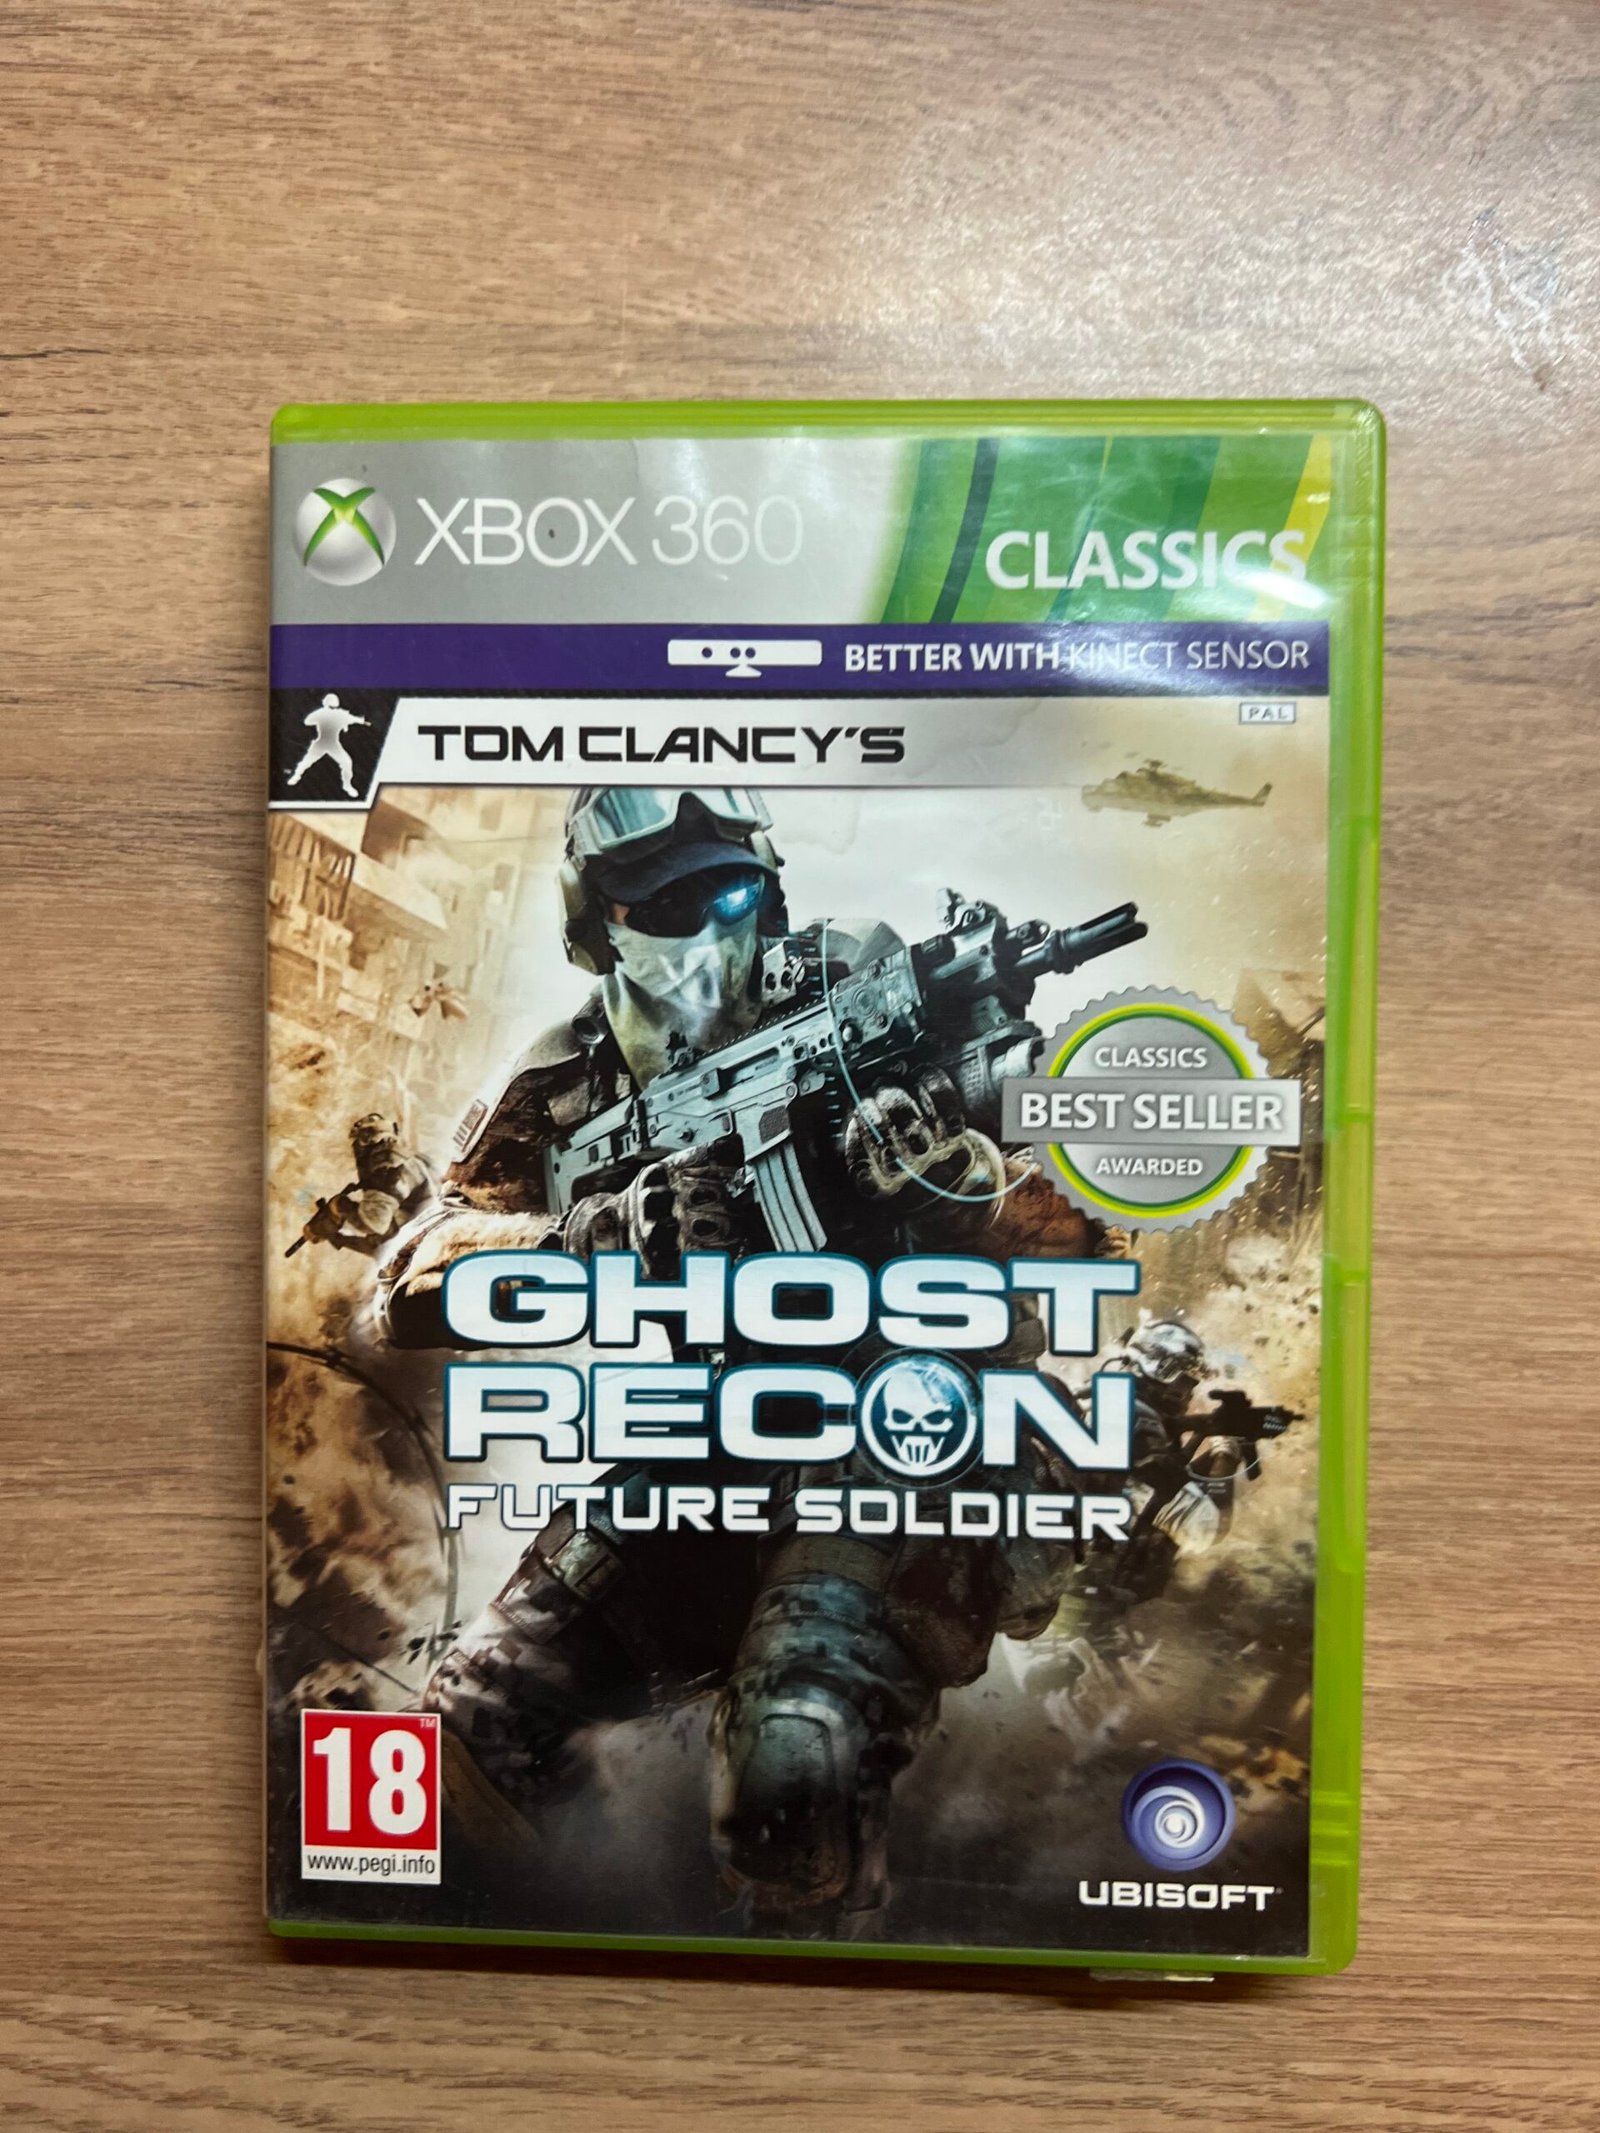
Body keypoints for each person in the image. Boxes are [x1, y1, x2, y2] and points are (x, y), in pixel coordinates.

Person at [379, 786, 1114, 1932]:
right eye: (662, 903)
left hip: (906, 1434)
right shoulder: (568, 1079)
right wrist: (589, 1238)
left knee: (791, 1755)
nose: (705, 924)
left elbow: (1078, 1243)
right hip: (712, 1437)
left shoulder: (863, 990)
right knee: (470, 1732)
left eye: (730, 892)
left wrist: (955, 1187)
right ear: (594, 923)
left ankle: (818, 1985)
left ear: (768, 894)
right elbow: (406, 1283)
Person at [286, 692, 367, 799]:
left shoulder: (339, 714)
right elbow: (307, 721)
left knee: (347, 763)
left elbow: (357, 720)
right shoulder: (326, 713)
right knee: (306, 762)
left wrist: (356, 720)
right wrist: (323, 713)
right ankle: (296, 776)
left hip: (333, 744)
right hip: (321, 743)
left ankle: (347, 785)